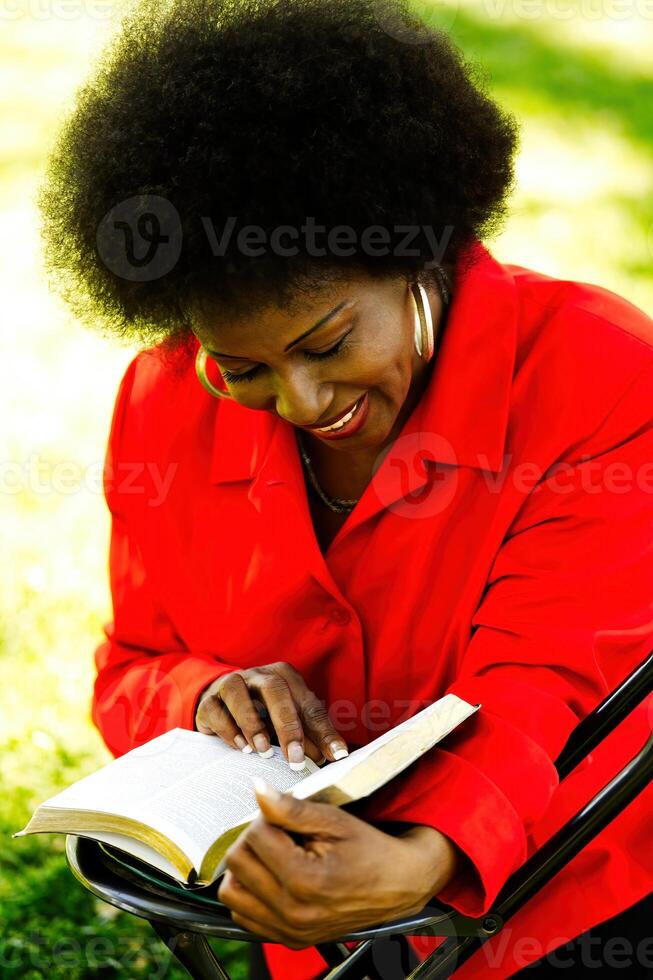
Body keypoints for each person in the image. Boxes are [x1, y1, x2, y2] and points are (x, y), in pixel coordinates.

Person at [38, 0, 652, 977]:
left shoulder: (599, 371)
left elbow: (544, 678)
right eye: (240, 368)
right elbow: (132, 665)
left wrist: (429, 853)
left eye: (327, 341)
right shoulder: (162, 398)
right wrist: (202, 694)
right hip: (313, 916)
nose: (302, 400)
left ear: (416, 249)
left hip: (564, 886)